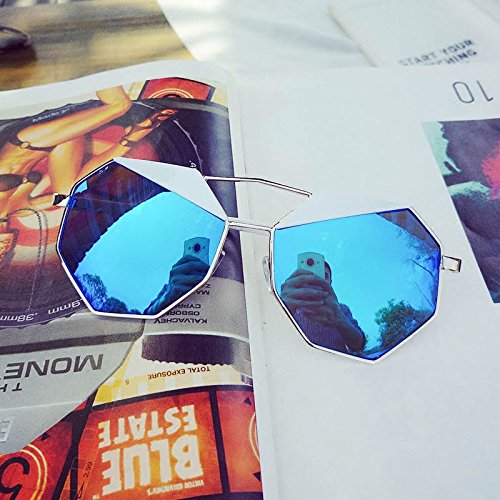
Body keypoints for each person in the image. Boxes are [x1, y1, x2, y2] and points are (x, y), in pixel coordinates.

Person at [280, 261, 366, 353]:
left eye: (324, 275)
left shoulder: (341, 309)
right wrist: (281, 309)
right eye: (310, 274)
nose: (316, 279)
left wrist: (341, 321)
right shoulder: (291, 307)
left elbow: (359, 345)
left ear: (330, 282)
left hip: (336, 361)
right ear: (300, 278)